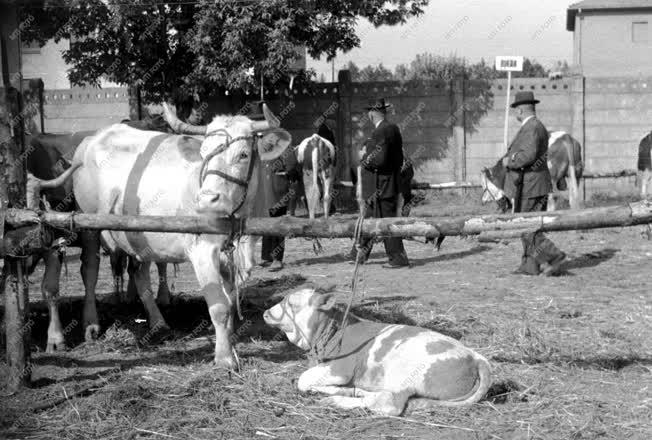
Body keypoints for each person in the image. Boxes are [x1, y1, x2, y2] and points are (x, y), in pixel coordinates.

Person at [503, 91, 566, 275]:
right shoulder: (534, 126)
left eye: (516, 110)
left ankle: (554, 255)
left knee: (528, 226)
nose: (515, 113)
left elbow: (528, 155)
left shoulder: (532, 127)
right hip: (530, 185)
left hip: (532, 186)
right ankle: (530, 265)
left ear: (521, 111)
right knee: (527, 225)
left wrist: (511, 161)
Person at [347, 98, 410, 268]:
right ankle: (359, 254)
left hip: (381, 186)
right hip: (385, 184)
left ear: (373, 113)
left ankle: (398, 258)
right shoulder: (392, 129)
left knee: (387, 223)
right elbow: (397, 158)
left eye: (369, 111)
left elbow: (380, 159)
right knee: (370, 220)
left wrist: (364, 158)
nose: (368, 114)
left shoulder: (381, 131)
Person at [250, 102, 300, 272]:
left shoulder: (281, 139)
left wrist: (284, 172)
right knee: (266, 223)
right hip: (263, 189)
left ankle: (277, 259)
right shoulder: (256, 140)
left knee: (278, 224)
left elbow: (291, 163)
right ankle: (266, 256)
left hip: (277, 188)